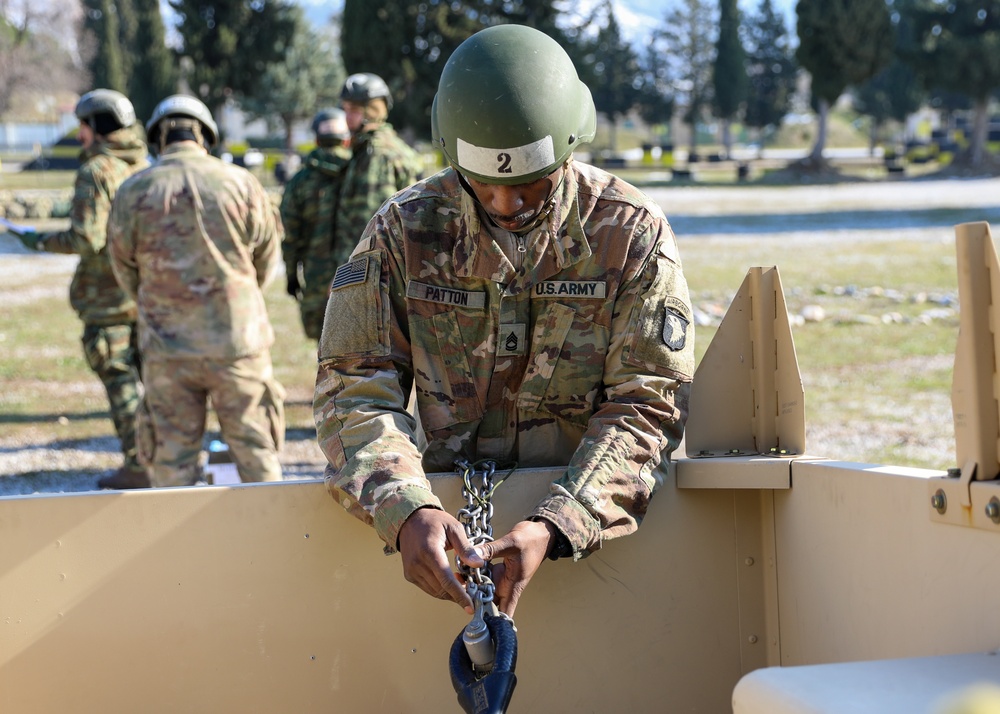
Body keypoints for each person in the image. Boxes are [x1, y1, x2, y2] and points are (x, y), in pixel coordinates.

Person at [314, 25, 695, 618]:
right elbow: (353, 388)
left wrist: (564, 521)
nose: (505, 205)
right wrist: (405, 506)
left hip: (584, 551)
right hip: (443, 547)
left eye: (527, 185)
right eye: (483, 185)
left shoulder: (628, 234)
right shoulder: (404, 231)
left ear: (570, 147)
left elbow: (649, 401)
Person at [108, 94, 286, 487]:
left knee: (170, 466)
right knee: (258, 459)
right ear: (206, 136)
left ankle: (176, 549)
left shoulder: (133, 190)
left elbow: (124, 268)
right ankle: (276, 546)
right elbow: (266, 259)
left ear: (158, 139)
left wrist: (160, 304)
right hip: (237, 344)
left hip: (168, 349)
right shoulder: (242, 183)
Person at [17, 89, 151, 490]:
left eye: (83, 125)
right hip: (145, 295)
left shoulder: (97, 170)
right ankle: (162, 459)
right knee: (151, 383)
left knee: (121, 382)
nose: (79, 134)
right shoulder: (143, 165)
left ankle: (139, 465)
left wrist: (38, 240)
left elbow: (86, 238)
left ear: (98, 127)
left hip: (107, 299)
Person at [335, 73, 424, 266]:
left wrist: (349, 271)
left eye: (355, 110)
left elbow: (370, 224)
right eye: (346, 109)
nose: (348, 117)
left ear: (373, 110)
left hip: (375, 267)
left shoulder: (375, 153)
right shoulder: (394, 146)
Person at [279, 107, 352, 341]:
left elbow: (290, 235)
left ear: (316, 138)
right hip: (358, 275)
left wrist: (291, 276)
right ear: (346, 139)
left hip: (316, 278)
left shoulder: (300, 181)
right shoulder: (358, 173)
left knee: (323, 349)